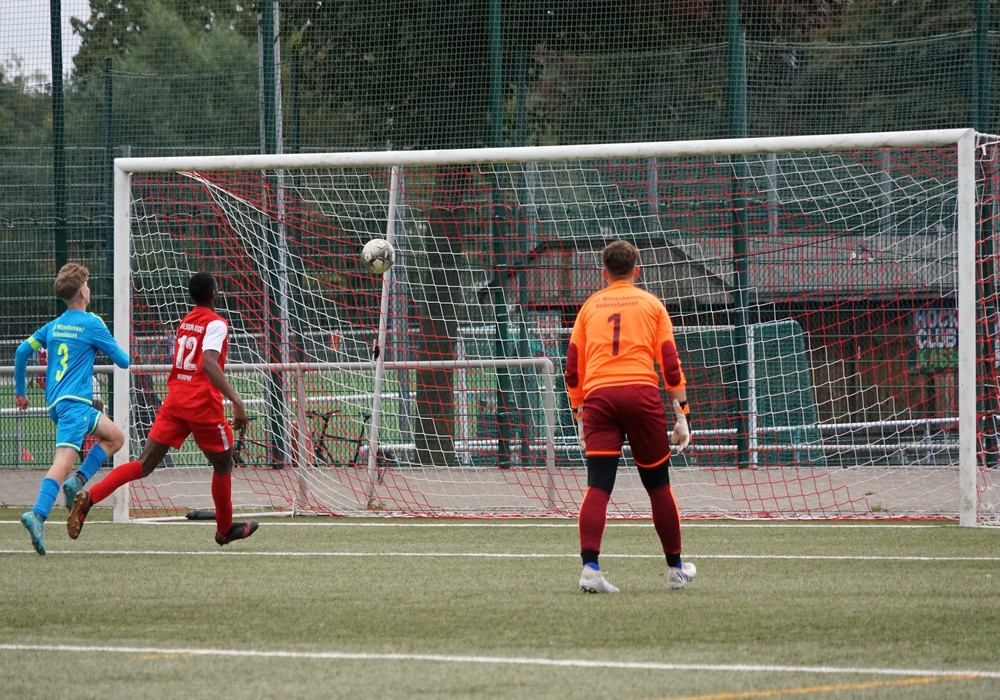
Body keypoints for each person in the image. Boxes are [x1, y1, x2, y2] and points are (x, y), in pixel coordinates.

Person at [67, 271, 258, 546]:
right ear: (214, 294)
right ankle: (224, 529)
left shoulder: (186, 322)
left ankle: (91, 497)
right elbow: (208, 363)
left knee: (143, 464)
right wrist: (237, 401)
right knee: (223, 464)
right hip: (202, 405)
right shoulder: (217, 323)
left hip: (175, 401)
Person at [564, 240, 694, 593]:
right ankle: (675, 569)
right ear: (637, 270)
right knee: (658, 485)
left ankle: (590, 569)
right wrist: (682, 413)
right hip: (640, 395)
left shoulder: (589, 307)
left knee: (598, 485)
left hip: (599, 399)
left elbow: (572, 369)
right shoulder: (651, 304)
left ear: (603, 273)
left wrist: (579, 412)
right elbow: (670, 363)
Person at [13, 262, 130, 555]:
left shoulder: (54, 326)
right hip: (75, 405)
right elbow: (123, 361)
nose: (89, 288)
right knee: (63, 461)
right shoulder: (92, 323)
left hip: (59, 403)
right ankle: (37, 514)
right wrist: (106, 339)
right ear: (82, 292)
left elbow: (22, 351)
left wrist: (21, 392)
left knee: (116, 437)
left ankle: (77, 481)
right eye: (87, 285)